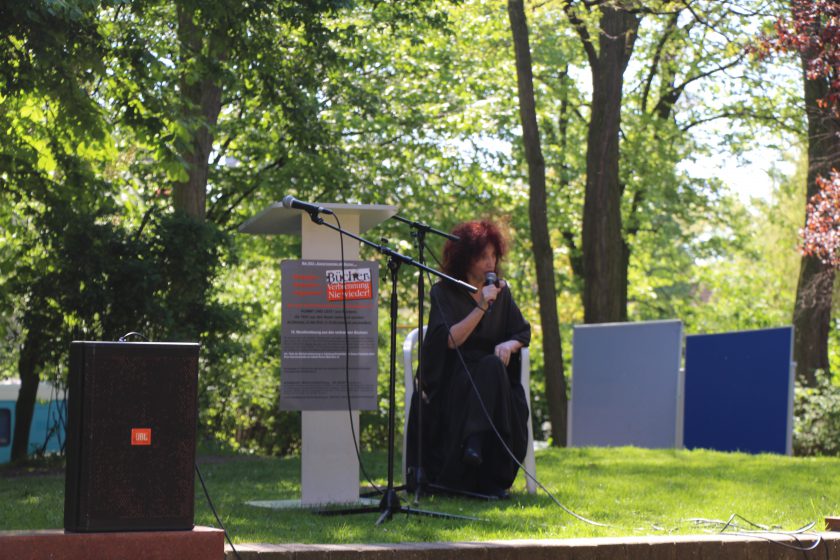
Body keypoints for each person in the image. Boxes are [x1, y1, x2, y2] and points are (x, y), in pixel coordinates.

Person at [406, 220, 531, 499]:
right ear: (466, 258)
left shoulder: (503, 291)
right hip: (456, 380)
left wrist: (509, 345)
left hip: (495, 383)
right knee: (487, 367)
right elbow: (450, 340)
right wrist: (481, 305)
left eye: (493, 255)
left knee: (491, 366)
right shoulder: (444, 292)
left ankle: (475, 444)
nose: (490, 262)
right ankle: (473, 451)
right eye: (483, 256)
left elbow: (522, 331)